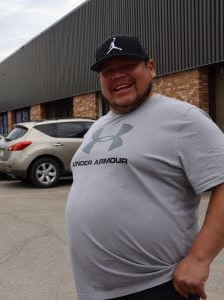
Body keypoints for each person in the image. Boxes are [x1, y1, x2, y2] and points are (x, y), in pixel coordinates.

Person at [65, 35, 224, 300]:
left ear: (151, 68)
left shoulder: (183, 118)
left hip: (156, 285)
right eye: (108, 71)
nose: (117, 76)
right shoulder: (98, 126)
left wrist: (199, 259)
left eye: (127, 66)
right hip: (93, 291)